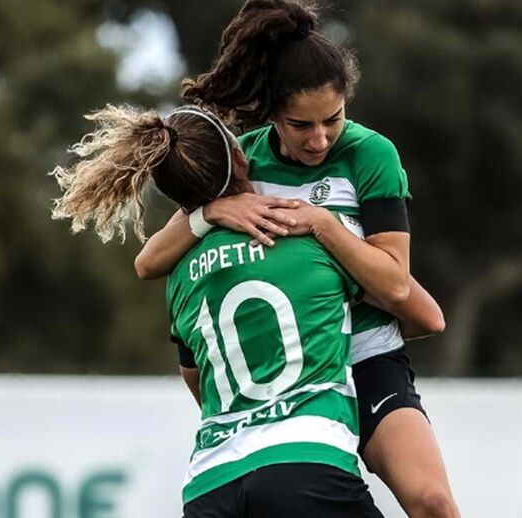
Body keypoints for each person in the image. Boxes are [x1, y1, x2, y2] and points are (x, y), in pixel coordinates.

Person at [133, 2, 460, 516]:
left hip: (366, 354)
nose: (320, 138)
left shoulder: (371, 155)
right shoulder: (243, 162)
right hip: (291, 372)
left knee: (433, 501)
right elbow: (148, 262)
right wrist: (212, 211)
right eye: (300, 124)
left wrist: (323, 224)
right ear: (271, 114)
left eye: (333, 119)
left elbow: (396, 285)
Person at [51, 104, 383, 516]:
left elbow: (195, 378)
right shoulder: (305, 233)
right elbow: (420, 311)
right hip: (305, 459)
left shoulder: (179, 275)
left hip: (211, 482)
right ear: (240, 157)